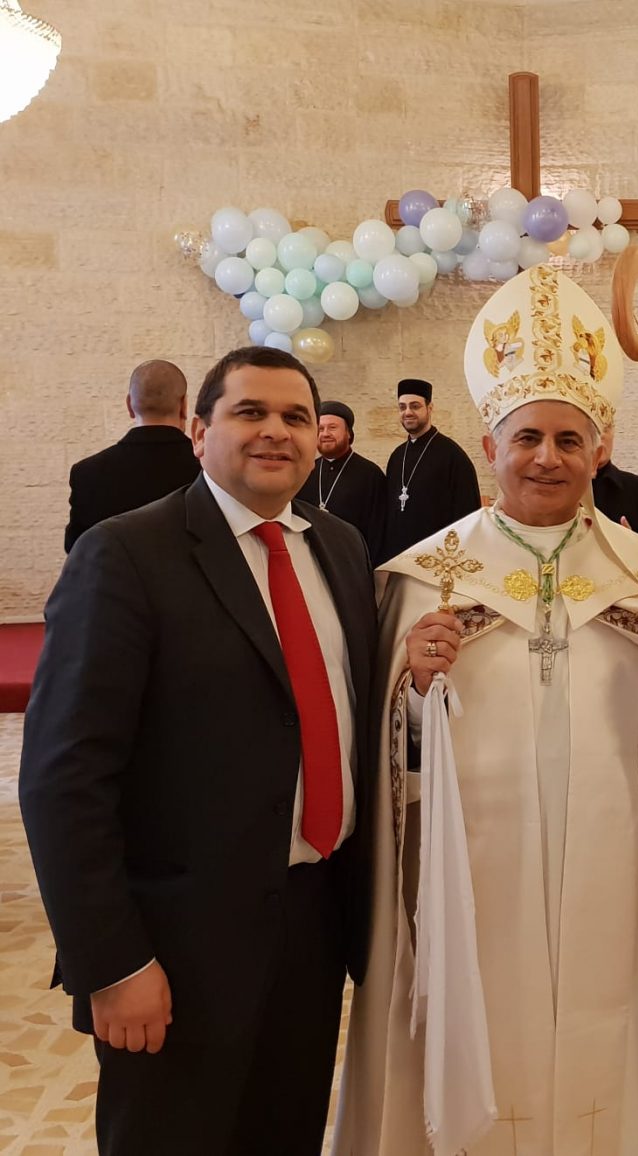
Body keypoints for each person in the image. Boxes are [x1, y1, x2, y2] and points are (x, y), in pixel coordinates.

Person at [334, 266, 638, 1156]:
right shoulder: (423, 578)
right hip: (469, 870)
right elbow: (380, 757)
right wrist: (412, 690)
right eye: (527, 436)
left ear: (599, 452)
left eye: (571, 439)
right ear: (489, 444)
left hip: (614, 859)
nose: (547, 457)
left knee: (608, 1027)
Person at [19, 346, 377, 1156]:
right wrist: (112, 964)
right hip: (175, 946)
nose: (276, 431)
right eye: (250, 412)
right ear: (198, 431)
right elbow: (62, 778)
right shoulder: (126, 554)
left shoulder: (340, 546)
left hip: (314, 924)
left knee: (284, 1136)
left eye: (295, 416)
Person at [65, 359, 201, 551]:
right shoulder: (208, 467)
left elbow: (77, 550)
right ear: (184, 405)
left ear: (129, 404)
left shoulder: (86, 473)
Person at [382, 377, 481, 560]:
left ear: (430, 408)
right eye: (402, 407)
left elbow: (468, 515)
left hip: (438, 560)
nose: (408, 412)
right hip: (399, 559)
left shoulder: (453, 456)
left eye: (415, 406)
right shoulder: (397, 456)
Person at [297, 400, 387, 561]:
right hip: (309, 559)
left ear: (349, 433)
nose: (325, 434)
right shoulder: (306, 471)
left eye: (332, 427)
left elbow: (378, 531)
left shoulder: (370, 474)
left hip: (353, 560)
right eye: (320, 429)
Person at [591, 420, 638, 542]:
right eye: (594, 428)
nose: (602, 436)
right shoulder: (560, 490)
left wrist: (633, 547)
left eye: (605, 429)